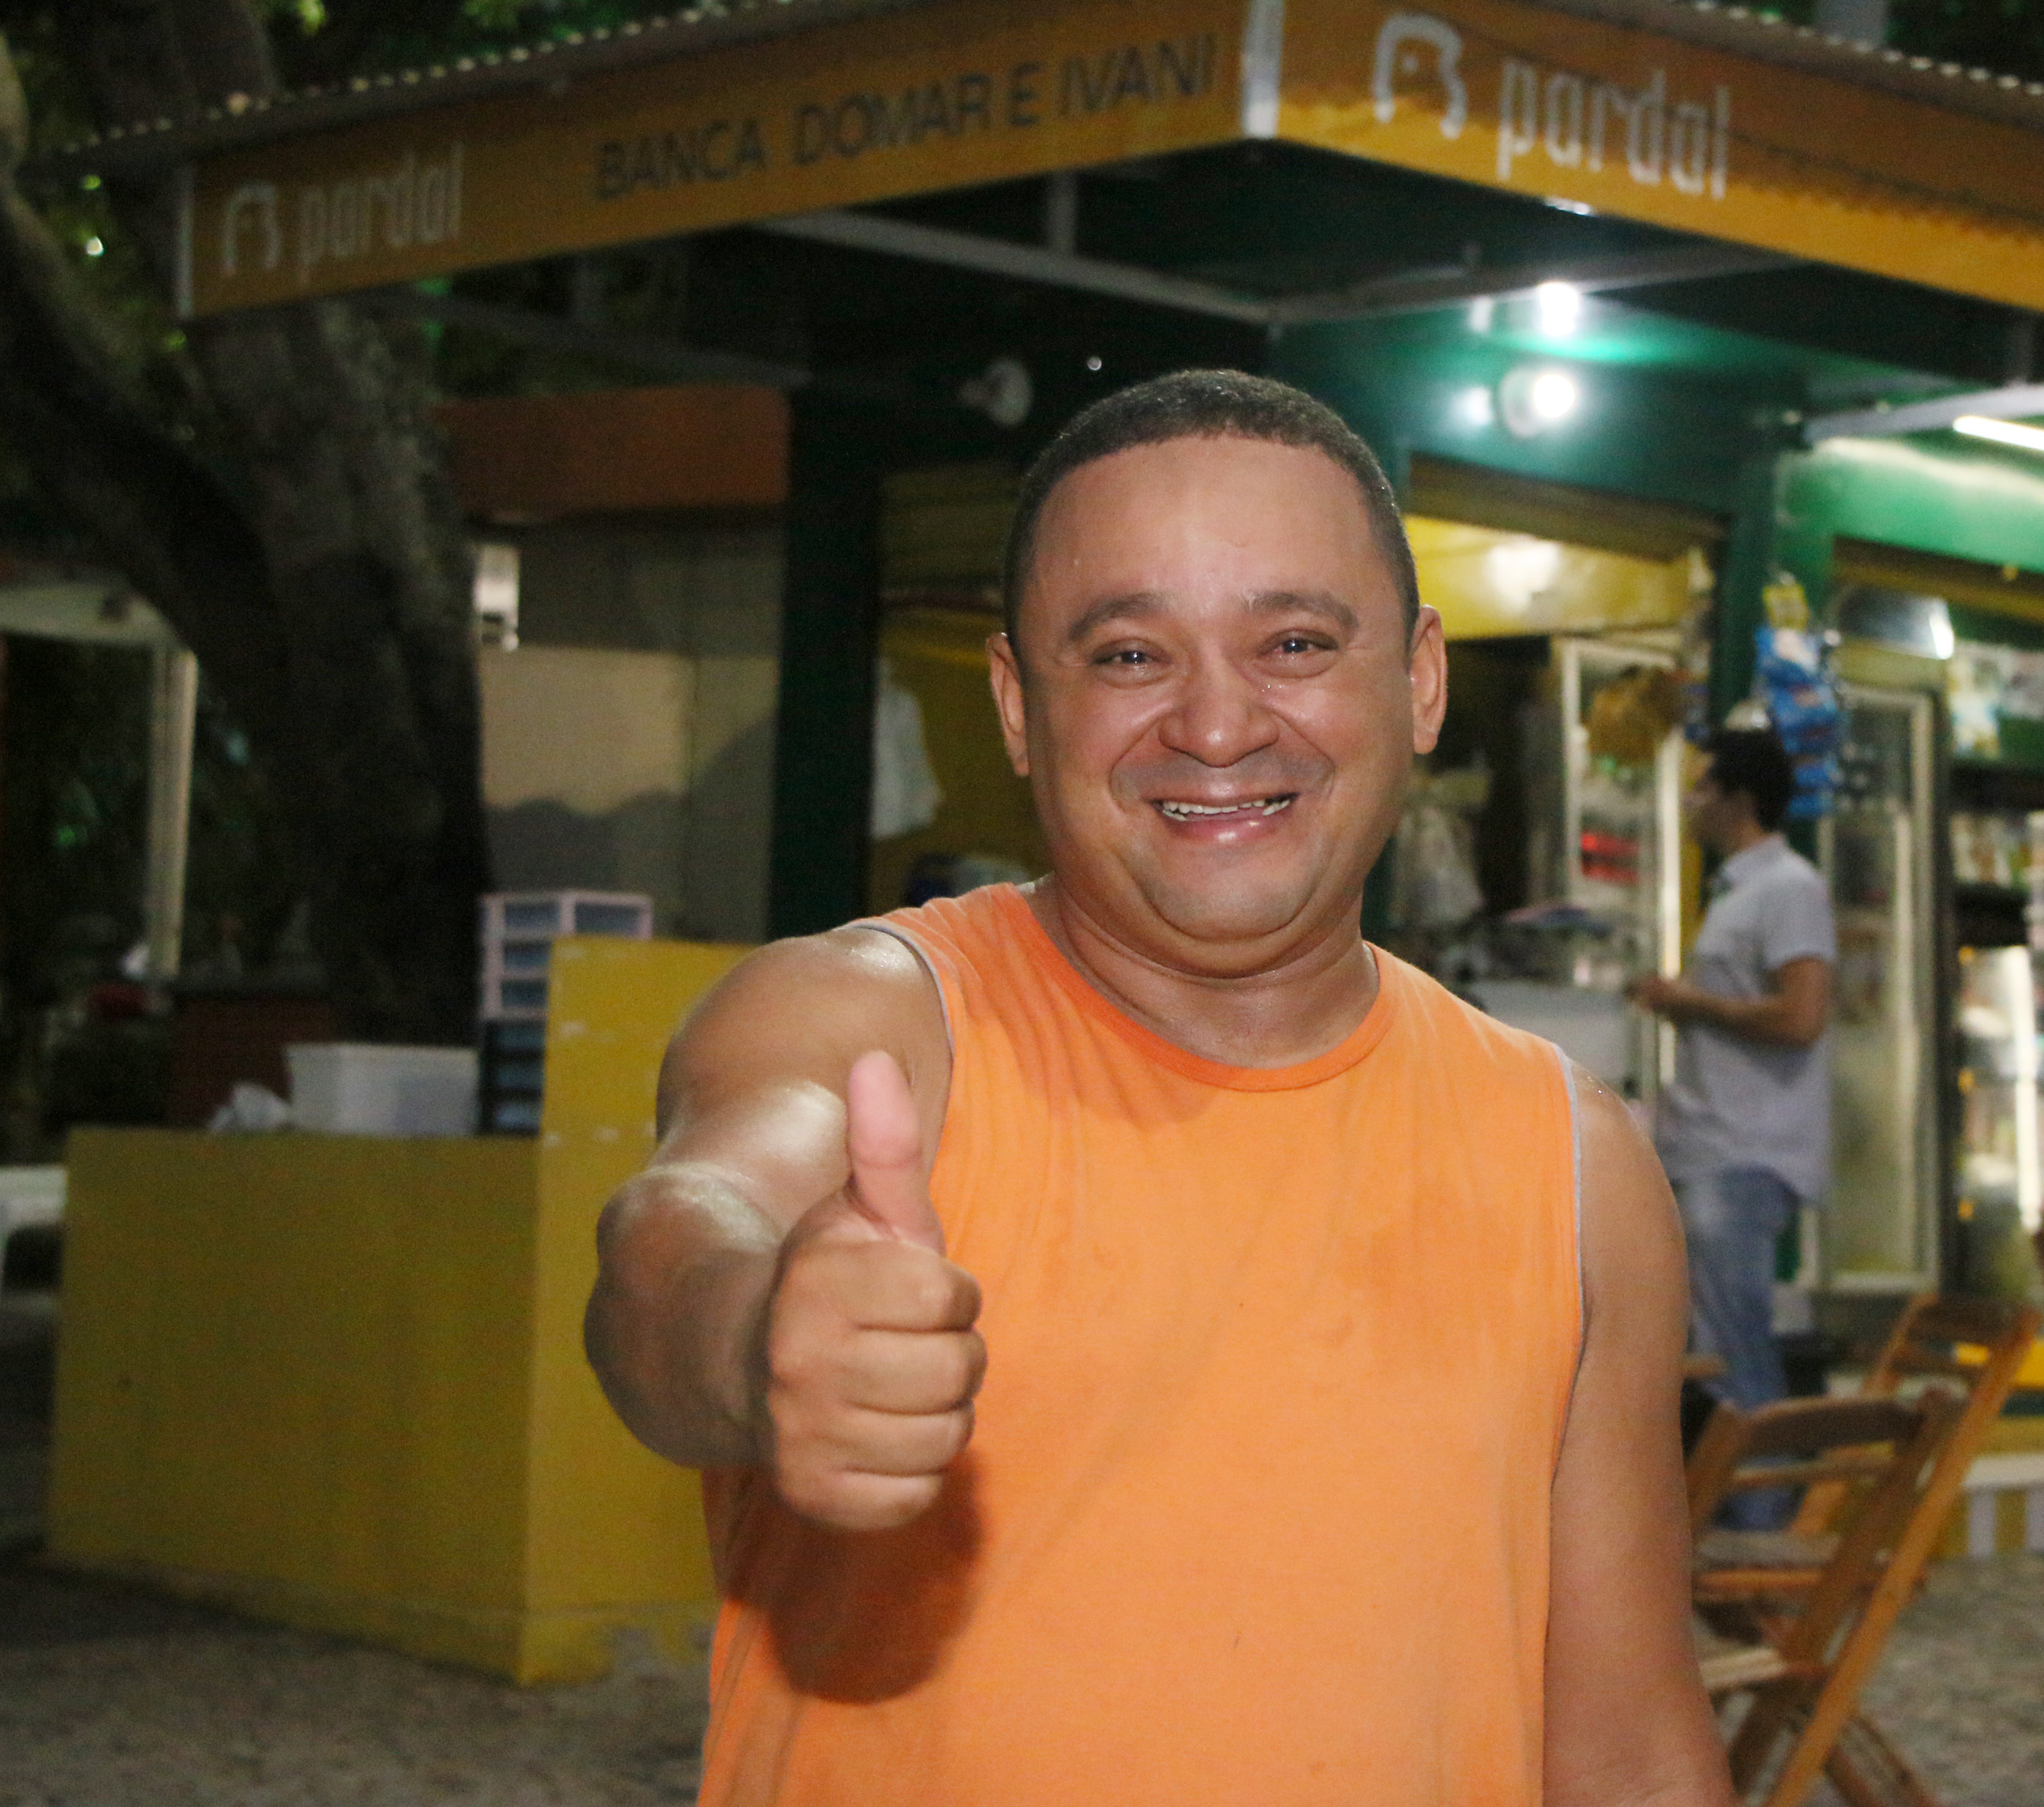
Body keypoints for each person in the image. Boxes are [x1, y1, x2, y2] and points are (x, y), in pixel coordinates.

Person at [583, 370, 1731, 1807]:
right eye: (1129, 654)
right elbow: (672, 1238)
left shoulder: (1572, 1157)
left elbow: (1624, 1741)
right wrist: (755, 1337)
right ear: (1017, 703)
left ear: (1419, 679)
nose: (1215, 721)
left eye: (1296, 640)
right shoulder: (876, 1020)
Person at [1627, 732, 1835, 1454]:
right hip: (1709, 1147)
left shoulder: (1788, 888)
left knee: (1735, 1350)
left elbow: (1802, 1015)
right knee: (1714, 1345)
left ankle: (1764, 1515)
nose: (1690, 803)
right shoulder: (1740, 892)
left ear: (1740, 801)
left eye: (1703, 788)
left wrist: (1690, 1003)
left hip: (1743, 1154)